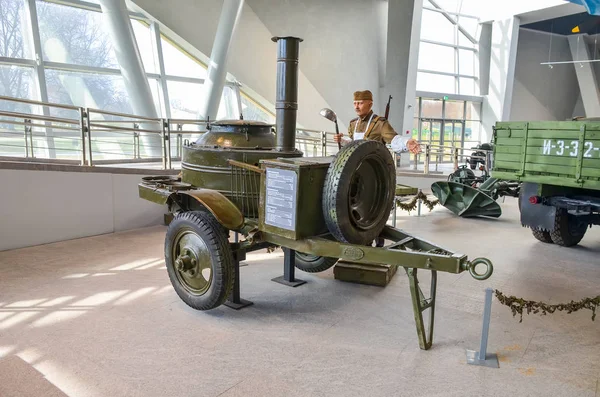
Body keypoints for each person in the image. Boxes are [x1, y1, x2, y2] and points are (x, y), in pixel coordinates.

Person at [333, 90, 421, 155]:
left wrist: (406, 142)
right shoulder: (353, 123)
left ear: (370, 104)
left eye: (360, 103)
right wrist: (342, 141)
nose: (356, 107)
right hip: (356, 163)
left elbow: (394, 139)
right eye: (355, 103)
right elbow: (353, 143)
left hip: (373, 167)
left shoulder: (380, 123)